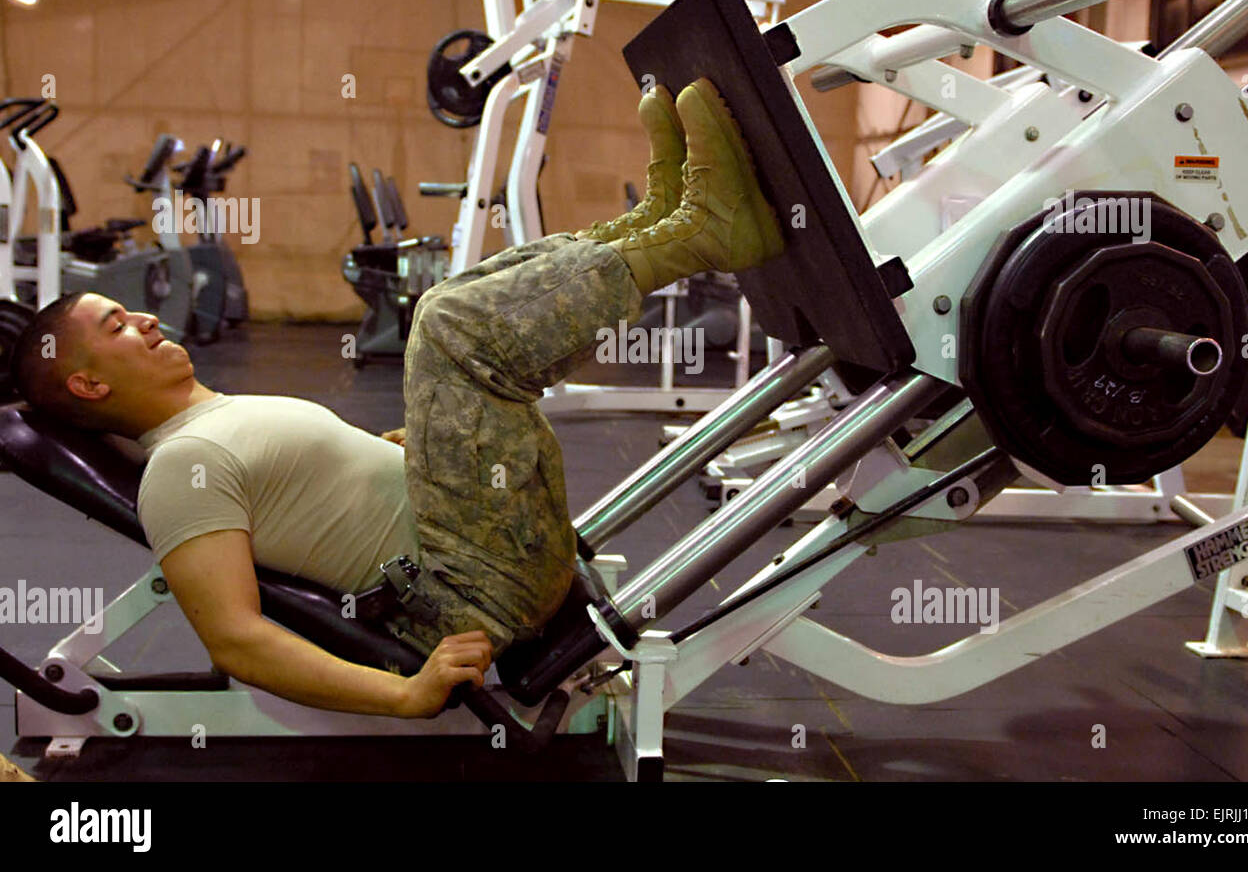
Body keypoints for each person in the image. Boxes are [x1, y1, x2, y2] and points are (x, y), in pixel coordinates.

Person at [8, 79, 783, 719]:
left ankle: (659, 223)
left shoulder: (211, 422)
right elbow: (237, 640)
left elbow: (324, 504)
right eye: (116, 324)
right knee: (449, 329)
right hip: (470, 590)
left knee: (457, 298)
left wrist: (404, 449)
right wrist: (405, 693)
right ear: (89, 383)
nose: (143, 316)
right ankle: (701, 235)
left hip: (476, 548)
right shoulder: (180, 470)